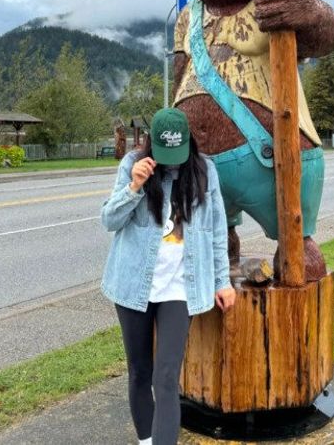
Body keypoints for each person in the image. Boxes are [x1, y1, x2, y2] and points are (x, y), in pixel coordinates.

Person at [100, 108, 234, 445]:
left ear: (188, 143)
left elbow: (216, 231)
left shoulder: (205, 171)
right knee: (140, 372)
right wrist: (135, 186)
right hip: (133, 284)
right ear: (150, 144)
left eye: (177, 154)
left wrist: (222, 281)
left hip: (180, 286)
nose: (171, 163)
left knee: (166, 376)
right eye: (164, 154)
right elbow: (109, 220)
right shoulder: (133, 165)